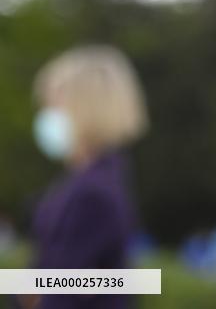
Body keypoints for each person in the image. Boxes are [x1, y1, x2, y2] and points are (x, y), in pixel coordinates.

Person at [20, 45, 149, 309]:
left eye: (52, 105)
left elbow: (60, 289)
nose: (46, 116)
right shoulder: (96, 181)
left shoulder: (92, 194)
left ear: (84, 109)